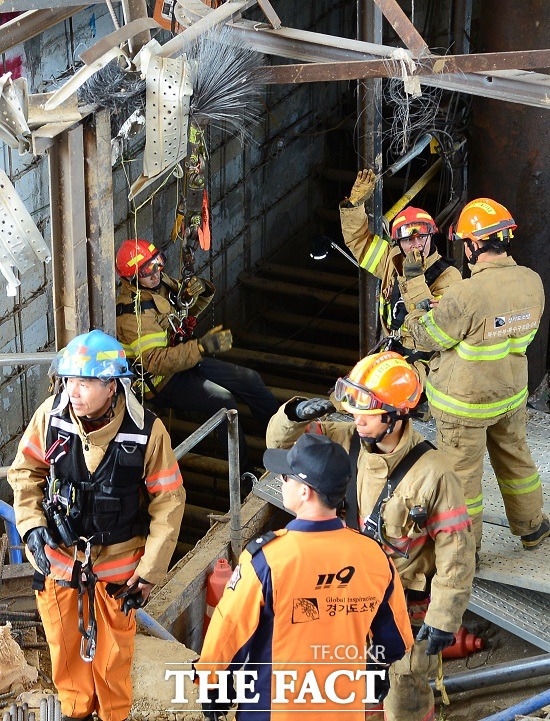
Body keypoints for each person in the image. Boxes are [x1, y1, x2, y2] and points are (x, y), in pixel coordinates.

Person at [266, 351, 476, 721]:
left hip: (402, 609)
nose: (355, 418)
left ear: (397, 415)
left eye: (368, 411)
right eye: (353, 408)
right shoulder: (343, 441)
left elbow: (456, 553)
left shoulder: (434, 475)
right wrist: (293, 415)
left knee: (403, 697)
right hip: (344, 599)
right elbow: (281, 449)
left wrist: (444, 618)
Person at [8, 330, 185, 721]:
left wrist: (151, 571)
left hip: (119, 574)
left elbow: (169, 501)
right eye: (69, 380)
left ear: (112, 385)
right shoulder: (50, 418)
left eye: (85, 381)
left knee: (112, 661)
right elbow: (25, 472)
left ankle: (112, 716)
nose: (73, 390)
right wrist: (33, 527)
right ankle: (73, 713)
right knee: (65, 652)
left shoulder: (146, 432)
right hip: (58, 564)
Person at [195, 432, 413, 721]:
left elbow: (229, 630)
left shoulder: (266, 561)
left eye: (287, 477)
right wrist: (377, 668)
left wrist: (213, 685)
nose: (282, 482)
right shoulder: (374, 557)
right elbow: (395, 638)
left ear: (305, 491)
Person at [402, 197, 548, 551]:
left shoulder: (464, 294)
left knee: (463, 480)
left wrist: (414, 300)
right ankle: (532, 527)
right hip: (511, 395)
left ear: (474, 244)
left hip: (464, 406)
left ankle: (466, 553)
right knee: (516, 459)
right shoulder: (533, 282)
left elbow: (426, 337)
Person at [115, 239, 279, 464]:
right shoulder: (132, 315)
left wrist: (200, 289)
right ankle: (243, 475)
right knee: (224, 402)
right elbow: (155, 362)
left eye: (158, 263)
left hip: (185, 360)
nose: (156, 273)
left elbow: (185, 312)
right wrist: (201, 347)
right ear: (132, 277)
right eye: (147, 270)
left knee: (250, 379)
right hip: (162, 381)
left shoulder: (159, 285)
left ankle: (286, 439)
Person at [339, 169, 462, 387]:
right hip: (393, 349)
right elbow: (358, 241)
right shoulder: (391, 260)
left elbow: (431, 328)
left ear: (431, 237)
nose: (415, 245)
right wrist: (354, 206)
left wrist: (414, 278)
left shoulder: (448, 276)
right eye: (407, 240)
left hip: (427, 361)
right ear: (399, 243)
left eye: (421, 237)